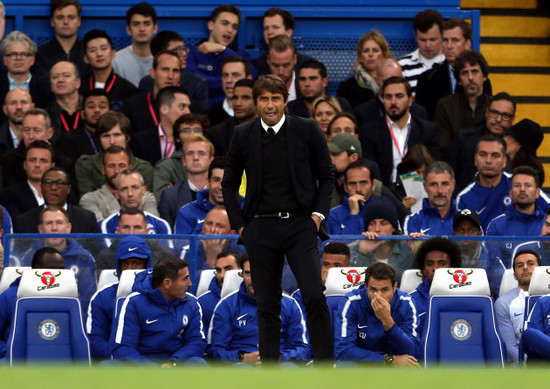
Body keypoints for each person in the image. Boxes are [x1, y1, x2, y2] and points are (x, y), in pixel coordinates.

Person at [222, 74, 334, 362]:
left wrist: (317, 217)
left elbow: (327, 175)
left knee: (313, 295)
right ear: (256, 102)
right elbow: (228, 183)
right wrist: (241, 227)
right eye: (264, 99)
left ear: (285, 101)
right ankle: (269, 372)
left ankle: (325, 368)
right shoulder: (242, 134)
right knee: (267, 303)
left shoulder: (307, 129)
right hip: (260, 226)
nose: (270, 105)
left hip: (300, 225)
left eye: (275, 98)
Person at [208, 252, 310, 364]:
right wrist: (242, 358)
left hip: (281, 365)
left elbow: (303, 349)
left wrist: (279, 357)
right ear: (242, 274)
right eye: (248, 273)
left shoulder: (290, 305)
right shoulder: (226, 306)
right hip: (241, 366)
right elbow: (215, 351)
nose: (254, 279)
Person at [111, 257, 207, 365]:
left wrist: (173, 363)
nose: (190, 283)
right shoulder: (133, 302)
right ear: (167, 283)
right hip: (141, 368)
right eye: (185, 278)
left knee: (198, 363)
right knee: (109, 366)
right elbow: (123, 347)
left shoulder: (191, 302)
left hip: (177, 365)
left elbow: (197, 342)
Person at [360, 76, 439, 187]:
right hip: (385, 192)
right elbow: (371, 172)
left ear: (410, 100)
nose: (393, 102)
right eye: (388, 97)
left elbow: (433, 169)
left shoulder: (427, 130)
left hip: (419, 188)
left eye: (399, 96)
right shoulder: (369, 132)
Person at [334, 262, 420, 366]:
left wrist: (387, 321)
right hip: (362, 366)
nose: (378, 296)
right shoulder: (351, 302)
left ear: (395, 287)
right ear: (366, 287)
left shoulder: (406, 303)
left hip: (394, 369)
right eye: (373, 289)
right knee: (344, 366)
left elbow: (412, 351)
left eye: (385, 290)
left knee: (410, 365)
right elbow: (343, 350)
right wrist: (389, 360)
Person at [86, 235, 151, 360]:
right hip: (118, 362)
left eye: (136, 264)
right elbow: (95, 339)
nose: (129, 269)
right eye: (125, 263)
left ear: (146, 265)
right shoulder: (102, 297)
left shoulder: (160, 294)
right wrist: (122, 358)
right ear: (118, 265)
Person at [20, 205, 97, 311]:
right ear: (40, 229)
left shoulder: (83, 257)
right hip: (38, 313)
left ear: (68, 228)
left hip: (74, 315)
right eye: (49, 223)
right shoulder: (30, 256)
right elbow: (24, 295)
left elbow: (88, 298)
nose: (54, 228)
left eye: (59, 223)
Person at [415, 18, 491, 120]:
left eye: (455, 40)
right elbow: (421, 120)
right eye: (445, 40)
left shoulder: (481, 81)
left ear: (467, 44)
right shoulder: (426, 79)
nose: (449, 46)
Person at [0, 246, 65, 359]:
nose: (56, 274)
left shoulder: (70, 298)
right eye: (51, 269)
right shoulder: (9, 297)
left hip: (60, 360)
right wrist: (9, 352)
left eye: (61, 269)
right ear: (36, 269)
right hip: (16, 362)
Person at [186, 4, 254, 106]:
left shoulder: (241, 55)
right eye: (225, 23)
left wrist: (223, 50)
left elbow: (251, 78)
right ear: (211, 25)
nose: (230, 30)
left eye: (234, 27)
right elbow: (193, 81)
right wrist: (232, 82)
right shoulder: (192, 52)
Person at [74, 110, 153, 198]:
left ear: (127, 138)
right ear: (99, 139)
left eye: (117, 135)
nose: (112, 141)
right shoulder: (86, 165)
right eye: (106, 136)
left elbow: (146, 203)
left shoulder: (145, 169)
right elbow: (87, 201)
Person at [448, 92, 516, 192]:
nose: (498, 119)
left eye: (505, 115)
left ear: (513, 119)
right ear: (487, 112)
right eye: (494, 113)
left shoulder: (518, 146)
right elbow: (449, 175)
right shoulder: (463, 139)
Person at [486, 166, 548, 268]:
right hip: (509, 282)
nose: (522, 189)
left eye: (528, 185)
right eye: (517, 185)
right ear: (510, 193)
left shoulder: (547, 224)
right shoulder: (496, 225)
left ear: (537, 193)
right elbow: (492, 266)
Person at [433, 50, 491, 159]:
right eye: (465, 73)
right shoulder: (445, 105)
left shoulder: (494, 106)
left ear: (484, 77)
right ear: (459, 80)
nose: (470, 78)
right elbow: (443, 147)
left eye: (475, 72)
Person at [79, 145, 158, 222]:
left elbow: (152, 226)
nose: (117, 171)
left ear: (130, 168)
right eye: (111, 166)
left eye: (122, 165)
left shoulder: (146, 197)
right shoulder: (90, 199)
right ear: (103, 169)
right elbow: (101, 230)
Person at [137, 30, 209, 113]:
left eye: (184, 49)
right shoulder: (146, 83)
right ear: (160, 55)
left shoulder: (198, 83)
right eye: (177, 50)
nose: (184, 54)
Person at [15, 167, 99, 234]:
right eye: (48, 182)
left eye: (60, 183)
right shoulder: (24, 221)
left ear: (68, 189)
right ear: (41, 187)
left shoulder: (87, 219)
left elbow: (96, 252)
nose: (53, 187)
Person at [349, 197, 414, 283]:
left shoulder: (406, 247)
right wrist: (363, 253)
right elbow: (353, 283)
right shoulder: (356, 248)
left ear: (393, 227)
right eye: (372, 224)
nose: (377, 229)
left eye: (383, 223)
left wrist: (417, 248)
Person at [94, 209, 174, 275]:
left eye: (137, 227)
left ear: (147, 231)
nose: (131, 232)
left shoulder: (165, 256)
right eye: (126, 227)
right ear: (118, 231)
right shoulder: (104, 257)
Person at [157, 134, 214, 227]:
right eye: (190, 153)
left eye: (201, 153)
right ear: (183, 160)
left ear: (211, 160)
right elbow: (167, 237)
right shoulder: (169, 196)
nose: (195, 158)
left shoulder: (221, 193)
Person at [353, 59, 429, 128]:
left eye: (396, 80)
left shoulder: (419, 112)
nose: (392, 85)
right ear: (376, 80)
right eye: (386, 81)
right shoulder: (361, 113)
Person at [409, 237, 461, 337]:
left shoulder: (464, 297)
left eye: (442, 263)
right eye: (429, 264)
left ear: (452, 267)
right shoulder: (411, 301)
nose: (435, 268)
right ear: (423, 269)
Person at [121, 50, 182, 135]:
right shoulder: (132, 106)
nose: (170, 76)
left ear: (180, 76)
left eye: (175, 71)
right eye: (165, 70)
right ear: (153, 72)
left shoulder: (190, 108)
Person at [495, 249, 540, 364]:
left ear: (540, 270)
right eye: (520, 265)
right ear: (514, 275)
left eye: (530, 264)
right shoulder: (503, 303)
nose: (525, 267)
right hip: (521, 363)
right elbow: (509, 347)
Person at [129, 86, 191, 166]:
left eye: (188, 107)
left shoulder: (192, 140)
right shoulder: (140, 141)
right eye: (182, 107)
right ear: (164, 109)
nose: (188, 112)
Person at [80, 29, 139, 111]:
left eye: (103, 49)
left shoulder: (127, 90)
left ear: (113, 53)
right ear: (86, 58)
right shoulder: (78, 86)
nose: (99, 54)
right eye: (93, 50)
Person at [99, 169, 170, 238]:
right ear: (117, 194)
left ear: (144, 191)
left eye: (135, 187)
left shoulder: (161, 224)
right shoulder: (106, 225)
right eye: (124, 189)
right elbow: (108, 250)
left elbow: (167, 250)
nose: (130, 194)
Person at [0, 108, 54, 188]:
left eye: (36, 130)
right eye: (27, 130)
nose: (31, 136)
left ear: (49, 133)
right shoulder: (8, 160)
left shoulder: (64, 162)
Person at [337, 30, 393, 108]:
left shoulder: (396, 82)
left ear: (385, 55)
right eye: (366, 51)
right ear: (360, 57)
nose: (370, 54)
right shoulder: (347, 87)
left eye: (375, 50)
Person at [0, 140, 54, 220]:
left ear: (52, 166)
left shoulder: (65, 194)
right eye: (32, 160)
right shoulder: (9, 195)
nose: (37, 165)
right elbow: (17, 223)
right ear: (24, 165)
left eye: (43, 161)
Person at [33, 0, 87, 79]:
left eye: (71, 17)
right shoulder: (40, 55)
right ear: (52, 21)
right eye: (60, 17)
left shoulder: (88, 53)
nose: (65, 22)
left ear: (79, 21)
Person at [0, 31, 50, 115]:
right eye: (13, 54)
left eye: (23, 54)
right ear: (5, 60)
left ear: (32, 60)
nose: (18, 58)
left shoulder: (46, 86)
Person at [252, 8, 312, 77]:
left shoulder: (306, 65)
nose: (269, 32)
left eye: (275, 27)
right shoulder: (257, 66)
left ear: (289, 32)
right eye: (266, 28)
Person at [328, 160, 383, 235]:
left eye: (363, 183)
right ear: (345, 187)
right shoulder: (333, 215)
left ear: (373, 185)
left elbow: (394, 244)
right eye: (352, 184)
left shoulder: (384, 212)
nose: (358, 189)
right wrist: (353, 213)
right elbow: (342, 246)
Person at [111, 2, 158, 88]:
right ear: (128, 29)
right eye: (136, 24)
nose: (142, 29)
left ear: (155, 28)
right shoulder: (116, 61)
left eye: (146, 23)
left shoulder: (164, 60)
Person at [403, 161, 457, 236]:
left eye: (444, 184)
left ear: (453, 185)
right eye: (433, 184)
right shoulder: (413, 220)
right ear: (425, 187)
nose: (440, 191)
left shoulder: (467, 220)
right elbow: (413, 247)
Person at [175, 157, 226, 235]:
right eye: (216, 180)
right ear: (208, 182)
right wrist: (206, 242)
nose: (221, 186)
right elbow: (181, 246)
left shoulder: (246, 212)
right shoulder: (186, 213)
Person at [398, 9, 445, 94]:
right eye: (423, 40)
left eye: (433, 39)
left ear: (442, 35)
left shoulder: (453, 64)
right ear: (415, 36)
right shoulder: (401, 66)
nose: (428, 45)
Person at [56, 89, 110, 161]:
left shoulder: (117, 137)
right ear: (82, 114)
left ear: (110, 113)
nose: (97, 110)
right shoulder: (68, 139)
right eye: (91, 107)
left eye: (102, 107)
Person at [208, 78, 257, 157]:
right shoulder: (217, 134)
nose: (238, 103)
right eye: (235, 98)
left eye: (245, 98)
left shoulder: (271, 130)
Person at [205, 55, 253, 127]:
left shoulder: (261, 117)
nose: (229, 80)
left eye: (235, 75)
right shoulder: (208, 117)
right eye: (225, 75)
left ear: (248, 79)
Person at [197, 250, 241, 328]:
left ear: (241, 270)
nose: (222, 275)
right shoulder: (203, 303)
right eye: (218, 270)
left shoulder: (255, 297)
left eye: (228, 269)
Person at [47, 60, 84, 137]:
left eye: (66, 75)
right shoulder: (45, 115)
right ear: (51, 85)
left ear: (78, 82)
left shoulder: (90, 109)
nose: (60, 80)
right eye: (55, 77)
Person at [504, 118, 545, 185]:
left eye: (509, 136)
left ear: (519, 144)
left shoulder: (528, 172)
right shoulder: (508, 163)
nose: (504, 139)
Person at [266, 35, 299, 102]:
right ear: (268, 60)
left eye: (286, 65)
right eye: (275, 65)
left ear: (295, 59)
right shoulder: (259, 85)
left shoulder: (304, 86)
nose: (281, 72)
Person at [0, 88, 34, 153]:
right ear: (5, 109)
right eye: (13, 103)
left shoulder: (42, 140)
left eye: (24, 102)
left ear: (32, 107)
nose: (19, 107)